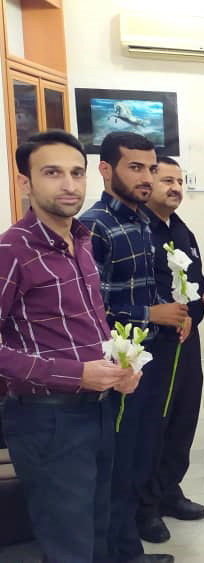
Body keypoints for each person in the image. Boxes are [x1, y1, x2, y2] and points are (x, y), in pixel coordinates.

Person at [0, 130, 140, 562]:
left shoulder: (80, 240)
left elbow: (87, 326)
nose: (69, 184)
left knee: (97, 530)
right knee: (69, 543)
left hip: (96, 410)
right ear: (25, 182)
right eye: (52, 173)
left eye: (77, 173)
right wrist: (76, 374)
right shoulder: (11, 250)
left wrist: (119, 366)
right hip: (47, 419)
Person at [81, 131, 186, 563]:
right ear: (106, 169)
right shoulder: (95, 226)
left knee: (140, 455)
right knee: (118, 464)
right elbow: (91, 306)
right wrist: (152, 314)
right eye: (135, 168)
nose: (146, 178)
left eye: (151, 168)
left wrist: (171, 313)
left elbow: (142, 286)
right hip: (114, 368)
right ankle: (118, 552)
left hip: (144, 360)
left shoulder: (141, 222)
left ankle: (128, 548)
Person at [137, 156, 204, 542]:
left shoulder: (181, 229)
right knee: (153, 426)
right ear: (147, 182)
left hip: (186, 342)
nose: (175, 188)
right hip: (153, 346)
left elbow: (195, 281)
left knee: (183, 420)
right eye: (166, 180)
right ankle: (145, 508)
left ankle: (169, 491)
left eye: (179, 182)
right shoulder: (140, 230)